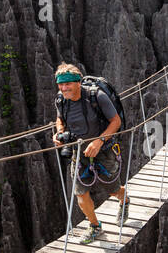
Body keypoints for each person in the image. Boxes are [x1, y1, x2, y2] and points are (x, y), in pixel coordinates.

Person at [51, 63, 129, 243]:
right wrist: (60, 133)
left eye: (68, 84)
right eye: (61, 85)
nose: (64, 88)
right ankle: (95, 226)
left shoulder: (96, 96)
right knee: (80, 192)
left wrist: (99, 141)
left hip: (104, 150)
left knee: (113, 190)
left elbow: (115, 122)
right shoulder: (61, 99)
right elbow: (60, 119)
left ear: (78, 82)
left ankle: (124, 200)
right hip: (78, 152)